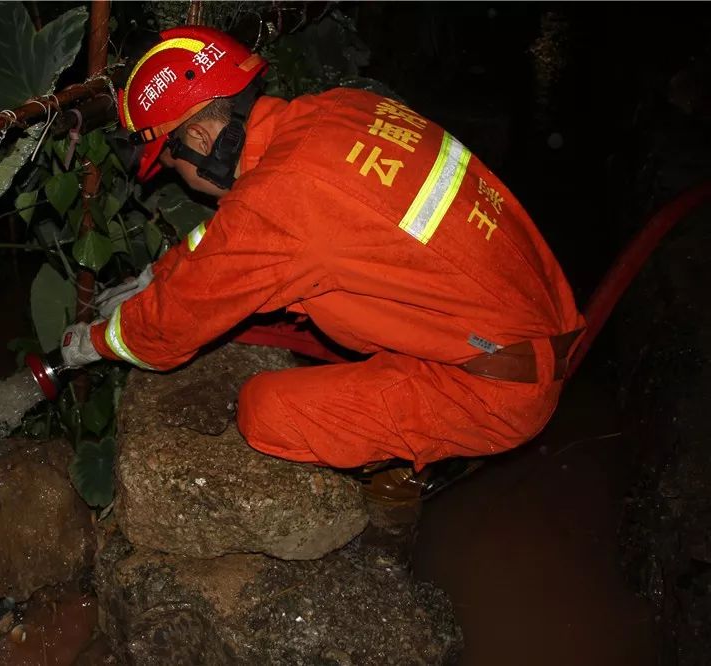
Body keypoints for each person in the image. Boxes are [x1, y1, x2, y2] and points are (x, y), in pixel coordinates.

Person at [59, 26, 585, 500]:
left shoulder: (278, 203)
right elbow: (232, 239)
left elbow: (166, 334)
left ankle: (403, 480)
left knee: (266, 413)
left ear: (197, 139)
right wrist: (158, 274)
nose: (178, 178)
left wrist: (97, 341)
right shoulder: (338, 109)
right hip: (541, 319)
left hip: (495, 388)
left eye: (170, 164)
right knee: (296, 310)